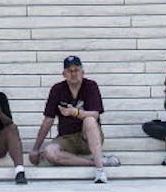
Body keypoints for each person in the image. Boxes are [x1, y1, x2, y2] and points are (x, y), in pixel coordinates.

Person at [29, 56, 119, 184]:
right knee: (49, 152)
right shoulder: (57, 89)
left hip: (87, 137)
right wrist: (35, 148)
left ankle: (100, 171)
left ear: (82, 72)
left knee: (89, 120)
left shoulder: (91, 85)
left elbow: (95, 114)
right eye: (69, 71)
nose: (73, 74)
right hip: (66, 138)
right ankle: (94, 162)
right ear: (64, 74)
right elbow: (48, 120)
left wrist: (75, 112)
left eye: (76, 70)